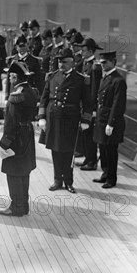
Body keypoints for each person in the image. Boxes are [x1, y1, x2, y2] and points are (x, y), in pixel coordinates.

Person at [38, 48, 93, 194]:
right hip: (54, 118)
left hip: (70, 118)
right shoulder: (51, 77)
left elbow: (87, 102)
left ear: (72, 63)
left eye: (64, 62)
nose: (61, 64)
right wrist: (42, 118)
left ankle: (68, 181)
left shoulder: (80, 79)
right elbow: (43, 99)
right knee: (55, 150)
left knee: (68, 151)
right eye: (59, 61)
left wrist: (85, 120)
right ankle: (57, 180)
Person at [0, 61, 38, 217]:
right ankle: (23, 206)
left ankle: (16, 208)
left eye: (11, 75)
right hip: (27, 133)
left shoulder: (16, 95)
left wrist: (5, 143)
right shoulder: (32, 91)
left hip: (16, 138)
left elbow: (11, 122)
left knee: (13, 172)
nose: (9, 78)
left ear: (15, 77)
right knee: (24, 171)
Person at [93, 51, 127, 188]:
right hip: (102, 119)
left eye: (105, 62)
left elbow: (118, 104)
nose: (102, 65)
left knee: (111, 151)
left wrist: (111, 124)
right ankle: (105, 174)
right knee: (102, 148)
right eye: (101, 63)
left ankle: (111, 179)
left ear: (113, 62)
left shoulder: (119, 81)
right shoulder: (105, 78)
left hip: (111, 121)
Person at [73, 37, 103, 171]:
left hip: (90, 107)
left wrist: (93, 109)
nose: (81, 53)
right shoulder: (85, 64)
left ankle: (92, 161)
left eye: (84, 50)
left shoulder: (95, 67)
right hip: (84, 104)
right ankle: (87, 157)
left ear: (91, 51)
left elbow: (95, 89)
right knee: (85, 133)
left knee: (90, 134)